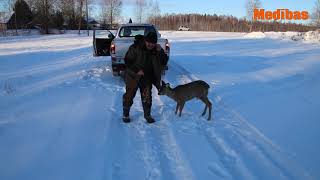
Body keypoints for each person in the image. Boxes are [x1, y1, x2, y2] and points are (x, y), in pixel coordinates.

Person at [122, 32, 168, 123]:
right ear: (145, 40)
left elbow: (164, 61)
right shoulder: (135, 47)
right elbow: (127, 60)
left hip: (147, 77)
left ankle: (147, 115)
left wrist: (161, 51)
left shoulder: (156, 49)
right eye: (148, 42)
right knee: (129, 95)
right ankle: (126, 114)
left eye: (153, 43)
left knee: (147, 96)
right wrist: (136, 70)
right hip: (133, 76)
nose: (150, 45)